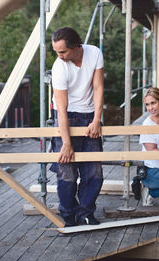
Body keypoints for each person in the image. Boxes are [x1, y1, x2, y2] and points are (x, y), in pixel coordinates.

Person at [50, 27, 104, 226]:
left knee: (94, 172)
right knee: (67, 173)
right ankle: (68, 215)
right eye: (57, 52)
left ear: (75, 47)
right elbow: (61, 109)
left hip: (90, 115)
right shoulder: (59, 67)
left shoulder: (94, 53)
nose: (60, 56)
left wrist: (97, 119)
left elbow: (98, 87)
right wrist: (66, 143)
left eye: (63, 52)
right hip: (67, 117)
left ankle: (86, 213)